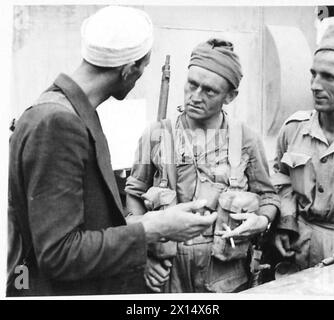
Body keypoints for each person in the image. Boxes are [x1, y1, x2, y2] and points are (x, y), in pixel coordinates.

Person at [7, 5, 218, 296]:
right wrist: (152, 230)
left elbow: (89, 222)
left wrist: (154, 222)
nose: (142, 73)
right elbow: (58, 254)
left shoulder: (67, 111)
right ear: (128, 69)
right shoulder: (57, 123)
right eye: (144, 66)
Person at [125, 38, 280, 293]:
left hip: (225, 277)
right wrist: (145, 254)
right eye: (191, 85)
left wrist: (261, 220)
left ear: (230, 96)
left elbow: (269, 196)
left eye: (209, 91)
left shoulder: (247, 140)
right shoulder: (155, 134)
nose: (195, 97)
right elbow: (133, 195)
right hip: (166, 275)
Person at [272, 24, 334, 270]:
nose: (314, 85)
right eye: (314, 74)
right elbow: (281, 178)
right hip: (299, 247)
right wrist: (286, 222)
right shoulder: (293, 129)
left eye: (330, 77)